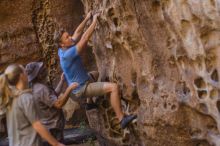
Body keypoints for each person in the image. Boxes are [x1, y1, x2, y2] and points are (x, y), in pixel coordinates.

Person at [54, 11, 137, 129]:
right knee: (114, 88)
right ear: (62, 44)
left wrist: (87, 18)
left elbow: (77, 33)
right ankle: (121, 119)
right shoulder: (67, 55)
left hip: (84, 80)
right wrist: (94, 21)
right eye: (67, 37)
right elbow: (85, 38)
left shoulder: (62, 49)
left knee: (96, 74)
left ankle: (89, 104)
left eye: (68, 35)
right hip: (82, 88)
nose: (70, 38)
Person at [0, 64, 64, 146]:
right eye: (25, 71)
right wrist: (56, 143)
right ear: (21, 76)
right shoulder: (26, 98)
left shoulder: (9, 99)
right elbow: (37, 125)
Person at [25, 62, 78, 143]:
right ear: (39, 75)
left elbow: (53, 96)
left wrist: (62, 81)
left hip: (49, 128)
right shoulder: (41, 89)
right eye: (42, 69)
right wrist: (69, 89)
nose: (45, 69)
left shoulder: (36, 87)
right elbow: (58, 104)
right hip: (52, 129)